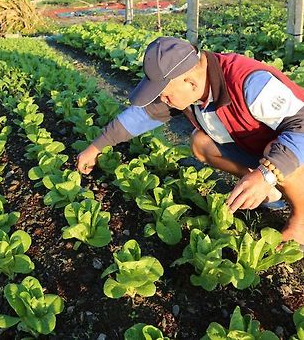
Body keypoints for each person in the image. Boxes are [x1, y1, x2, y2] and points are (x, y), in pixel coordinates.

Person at [77, 37, 304, 246]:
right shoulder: (189, 87)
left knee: (277, 151)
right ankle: (267, 190)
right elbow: (142, 116)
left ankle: (300, 221)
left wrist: (266, 174)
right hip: (255, 146)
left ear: (191, 82)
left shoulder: (250, 82)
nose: (164, 100)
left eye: (166, 95)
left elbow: (300, 129)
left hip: (297, 146)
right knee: (200, 142)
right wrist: (96, 146)